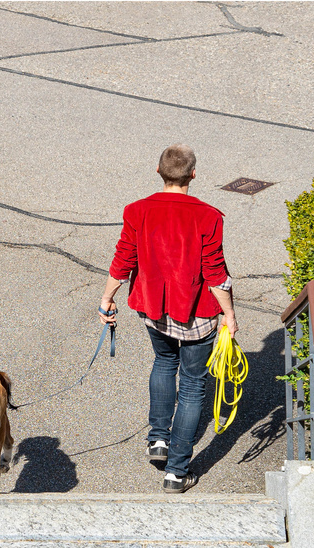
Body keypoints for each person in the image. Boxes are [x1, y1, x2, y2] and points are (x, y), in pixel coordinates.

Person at [99, 145, 236, 494]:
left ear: (157, 170)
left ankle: (158, 438)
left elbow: (124, 258)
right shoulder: (208, 216)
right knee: (192, 385)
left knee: (163, 362)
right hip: (197, 313)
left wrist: (107, 297)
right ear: (193, 174)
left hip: (154, 310)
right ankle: (176, 472)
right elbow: (215, 273)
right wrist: (230, 315)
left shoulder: (136, 211)